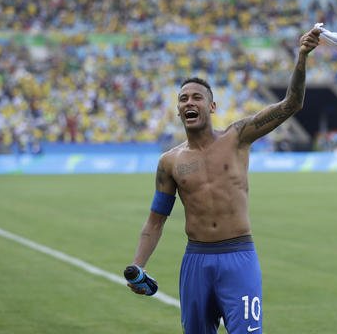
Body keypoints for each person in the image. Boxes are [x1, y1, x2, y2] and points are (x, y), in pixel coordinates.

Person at [127, 28, 320, 334]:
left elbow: (291, 104)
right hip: (196, 261)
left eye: (197, 97)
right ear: (179, 110)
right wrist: (137, 266)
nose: (189, 102)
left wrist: (302, 56)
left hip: (239, 257)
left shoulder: (238, 136)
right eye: (183, 99)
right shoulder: (170, 162)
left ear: (211, 106)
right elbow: (155, 221)